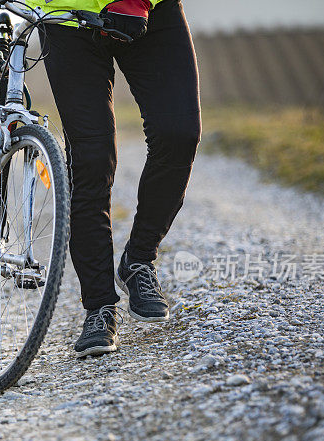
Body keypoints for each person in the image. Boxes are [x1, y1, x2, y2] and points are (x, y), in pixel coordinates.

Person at [23, 0, 201, 356]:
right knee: (91, 161)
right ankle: (100, 308)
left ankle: (138, 259)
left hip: (151, 9)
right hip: (65, 15)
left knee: (178, 133)